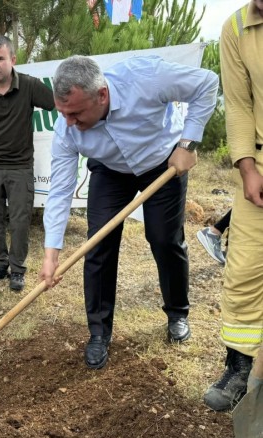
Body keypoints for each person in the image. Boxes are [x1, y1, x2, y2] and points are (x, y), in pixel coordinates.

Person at [39, 55, 218, 370]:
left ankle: (177, 312)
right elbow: (60, 190)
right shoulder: (66, 129)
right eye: (63, 113)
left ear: (102, 95)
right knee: (97, 245)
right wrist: (51, 252)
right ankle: (98, 333)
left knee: (164, 239)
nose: (69, 122)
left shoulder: (145, 77)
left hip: (163, 161)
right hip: (110, 172)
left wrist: (187, 144)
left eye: (76, 113)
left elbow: (207, 83)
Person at [203, 0, 263, 411]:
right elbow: (239, 105)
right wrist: (247, 168)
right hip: (259, 163)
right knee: (243, 271)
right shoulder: (237, 26)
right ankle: (239, 368)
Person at [0, 35, 55, 292]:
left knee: (19, 221)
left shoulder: (30, 86)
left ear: (12, 59)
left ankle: (17, 270)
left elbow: (58, 105)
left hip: (20, 167)